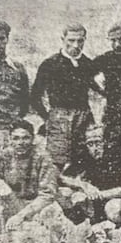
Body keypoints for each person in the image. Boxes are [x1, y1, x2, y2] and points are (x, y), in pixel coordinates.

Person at [31, 23, 98, 169]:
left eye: (80, 41)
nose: (76, 45)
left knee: (84, 158)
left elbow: (102, 91)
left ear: (85, 40)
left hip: (83, 117)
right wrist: (48, 118)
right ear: (63, 39)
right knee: (57, 161)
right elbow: (35, 96)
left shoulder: (89, 64)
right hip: (59, 118)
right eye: (71, 40)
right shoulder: (49, 64)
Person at [59, 89, 121, 227]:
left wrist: (99, 194)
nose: (94, 147)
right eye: (90, 143)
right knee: (67, 194)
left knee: (113, 210)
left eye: (98, 142)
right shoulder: (85, 157)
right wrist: (84, 185)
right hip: (94, 204)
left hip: (114, 201)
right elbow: (62, 177)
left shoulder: (118, 156)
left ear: (106, 141)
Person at [0, 120, 58, 231]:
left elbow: (47, 195)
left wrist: (22, 215)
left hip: (35, 205)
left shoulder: (42, 158)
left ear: (33, 139)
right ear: (10, 139)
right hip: (11, 203)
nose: (20, 142)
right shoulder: (5, 156)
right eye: (16, 138)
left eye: (25, 138)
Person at [0, 20, 29, 151]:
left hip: (10, 131)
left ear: (7, 39)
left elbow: (25, 100)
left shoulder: (17, 68)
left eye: (1, 38)